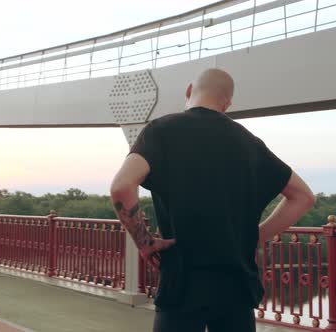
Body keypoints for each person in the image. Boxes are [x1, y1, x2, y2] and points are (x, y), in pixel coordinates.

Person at [110, 68, 315, 332]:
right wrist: (257, 236)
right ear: (227, 103)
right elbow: (303, 197)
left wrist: (145, 243)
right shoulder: (249, 142)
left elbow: (121, 187)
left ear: (188, 90)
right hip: (237, 287)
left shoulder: (161, 130)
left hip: (182, 285)